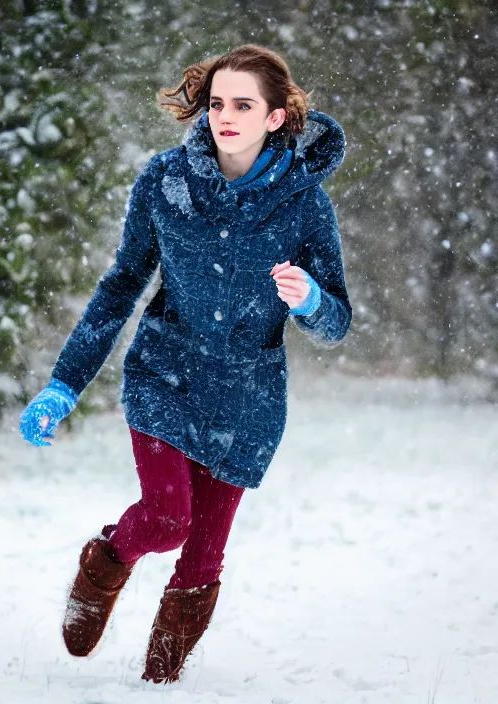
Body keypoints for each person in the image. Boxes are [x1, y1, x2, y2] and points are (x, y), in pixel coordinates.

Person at [19, 43, 352, 684]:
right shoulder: (165, 181)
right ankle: (105, 562)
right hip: (165, 371)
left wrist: (311, 301)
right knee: (168, 519)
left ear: (275, 118)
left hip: (248, 396)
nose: (224, 116)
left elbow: (338, 319)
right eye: (218, 102)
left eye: (243, 105)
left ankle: (160, 688)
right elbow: (122, 286)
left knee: (203, 559)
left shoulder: (306, 205)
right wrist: (64, 383)